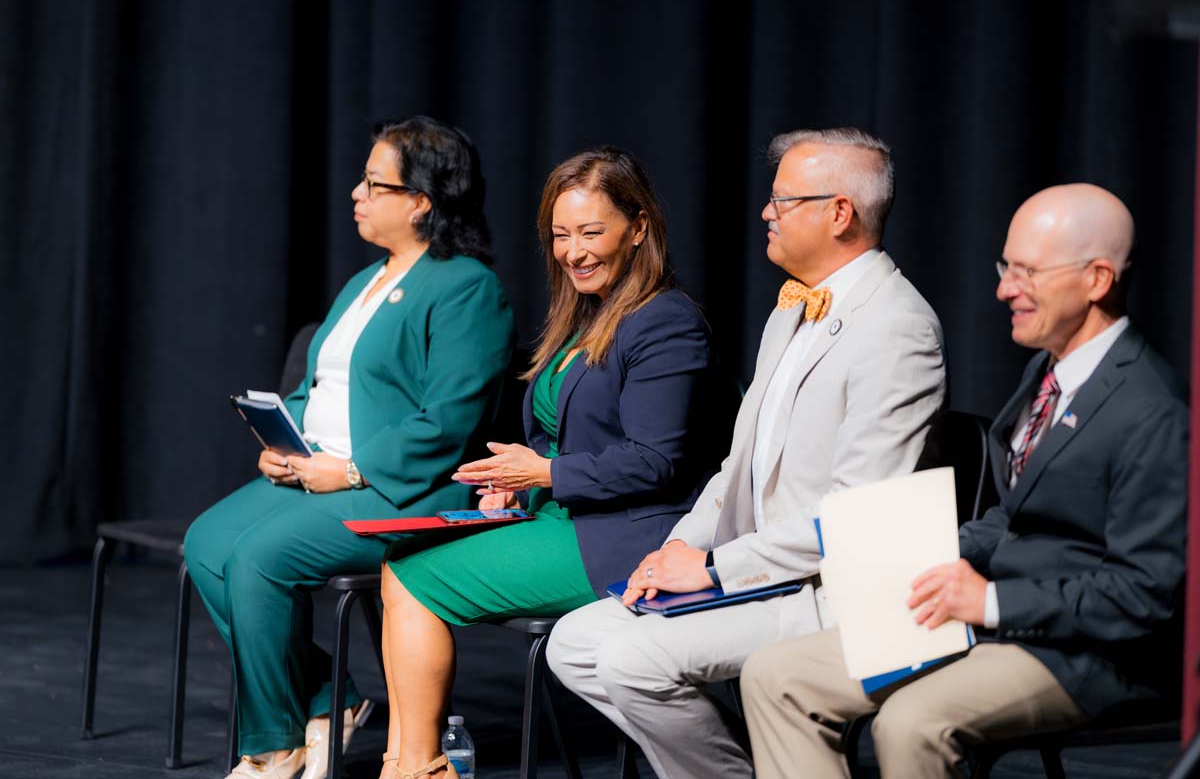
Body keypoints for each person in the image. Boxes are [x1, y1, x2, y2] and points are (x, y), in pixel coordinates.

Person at [742, 183, 1188, 779]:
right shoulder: (1046, 371)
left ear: (1097, 279)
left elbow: (1141, 595)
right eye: (1006, 267)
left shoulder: (1153, 409)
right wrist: (922, 557)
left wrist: (993, 601)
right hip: (991, 619)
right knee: (776, 676)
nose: (1005, 289)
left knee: (911, 723)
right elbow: (1016, 514)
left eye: (1027, 272)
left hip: (1084, 653)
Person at [546, 127, 947, 778]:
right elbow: (738, 467)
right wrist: (681, 544)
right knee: (575, 643)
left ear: (838, 213)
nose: (767, 211)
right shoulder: (791, 311)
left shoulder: (897, 327)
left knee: (629, 659)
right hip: (762, 570)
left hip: (834, 590)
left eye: (784, 200)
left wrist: (714, 568)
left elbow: (854, 522)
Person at [183, 116, 515, 779]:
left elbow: (447, 421)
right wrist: (284, 442)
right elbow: (318, 386)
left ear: (422, 200)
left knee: (260, 559)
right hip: (322, 471)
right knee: (207, 544)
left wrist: (354, 468)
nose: (356, 194)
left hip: (406, 485)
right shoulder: (364, 281)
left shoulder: (467, 289)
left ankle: (272, 747)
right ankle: (331, 698)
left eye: (375, 183)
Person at [374, 146, 717, 779]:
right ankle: (408, 761)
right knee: (401, 559)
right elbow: (568, 436)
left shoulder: (665, 322)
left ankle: (416, 768)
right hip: (564, 515)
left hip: (627, 536)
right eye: (561, 235)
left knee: (411, 579)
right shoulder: (586, 312)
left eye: (592, 232)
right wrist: (519, 474)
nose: (573, 251)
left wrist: (544, 475)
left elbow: (654, 461)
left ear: (638, 228)